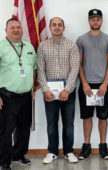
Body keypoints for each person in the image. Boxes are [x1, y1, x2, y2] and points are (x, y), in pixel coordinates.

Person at [37, 17, 80, 164]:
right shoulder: (42, 46)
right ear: (50, 27)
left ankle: (68, 151)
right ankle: (52, 152)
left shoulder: (72, 45)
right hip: (49, 93)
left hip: (68, 92)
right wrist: (45, 90)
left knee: (68, 123)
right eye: (54, 25)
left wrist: (67, 89)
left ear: (64, 27)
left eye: (59, 25)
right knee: (51, 123)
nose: (57, 27)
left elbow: (75, 69)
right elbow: (40, 70)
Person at [76, 9, 108, 160]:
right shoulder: (81, 40)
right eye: (92, 19)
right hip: (86, 86)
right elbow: (78, 63)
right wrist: (84, 84)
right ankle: (86, 146)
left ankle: (103, 146)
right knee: (87, 117)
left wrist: (105, 84)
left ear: (101, 20)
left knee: (103, 117)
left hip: (103, 86)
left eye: (98, 19)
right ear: (89, 21)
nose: (95, 21)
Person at [0, 18, 36, 170]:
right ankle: (4, 161)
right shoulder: (1, 47)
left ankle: (19, 155)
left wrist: (33, 87)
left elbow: (33, 67)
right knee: (6, 130)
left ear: (22, 30)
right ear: (6, 30)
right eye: (12, 27)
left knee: (24, 128)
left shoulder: (29, 46)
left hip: (26, 95)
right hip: (7, 96)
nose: (16, 30)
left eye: (18, 27)